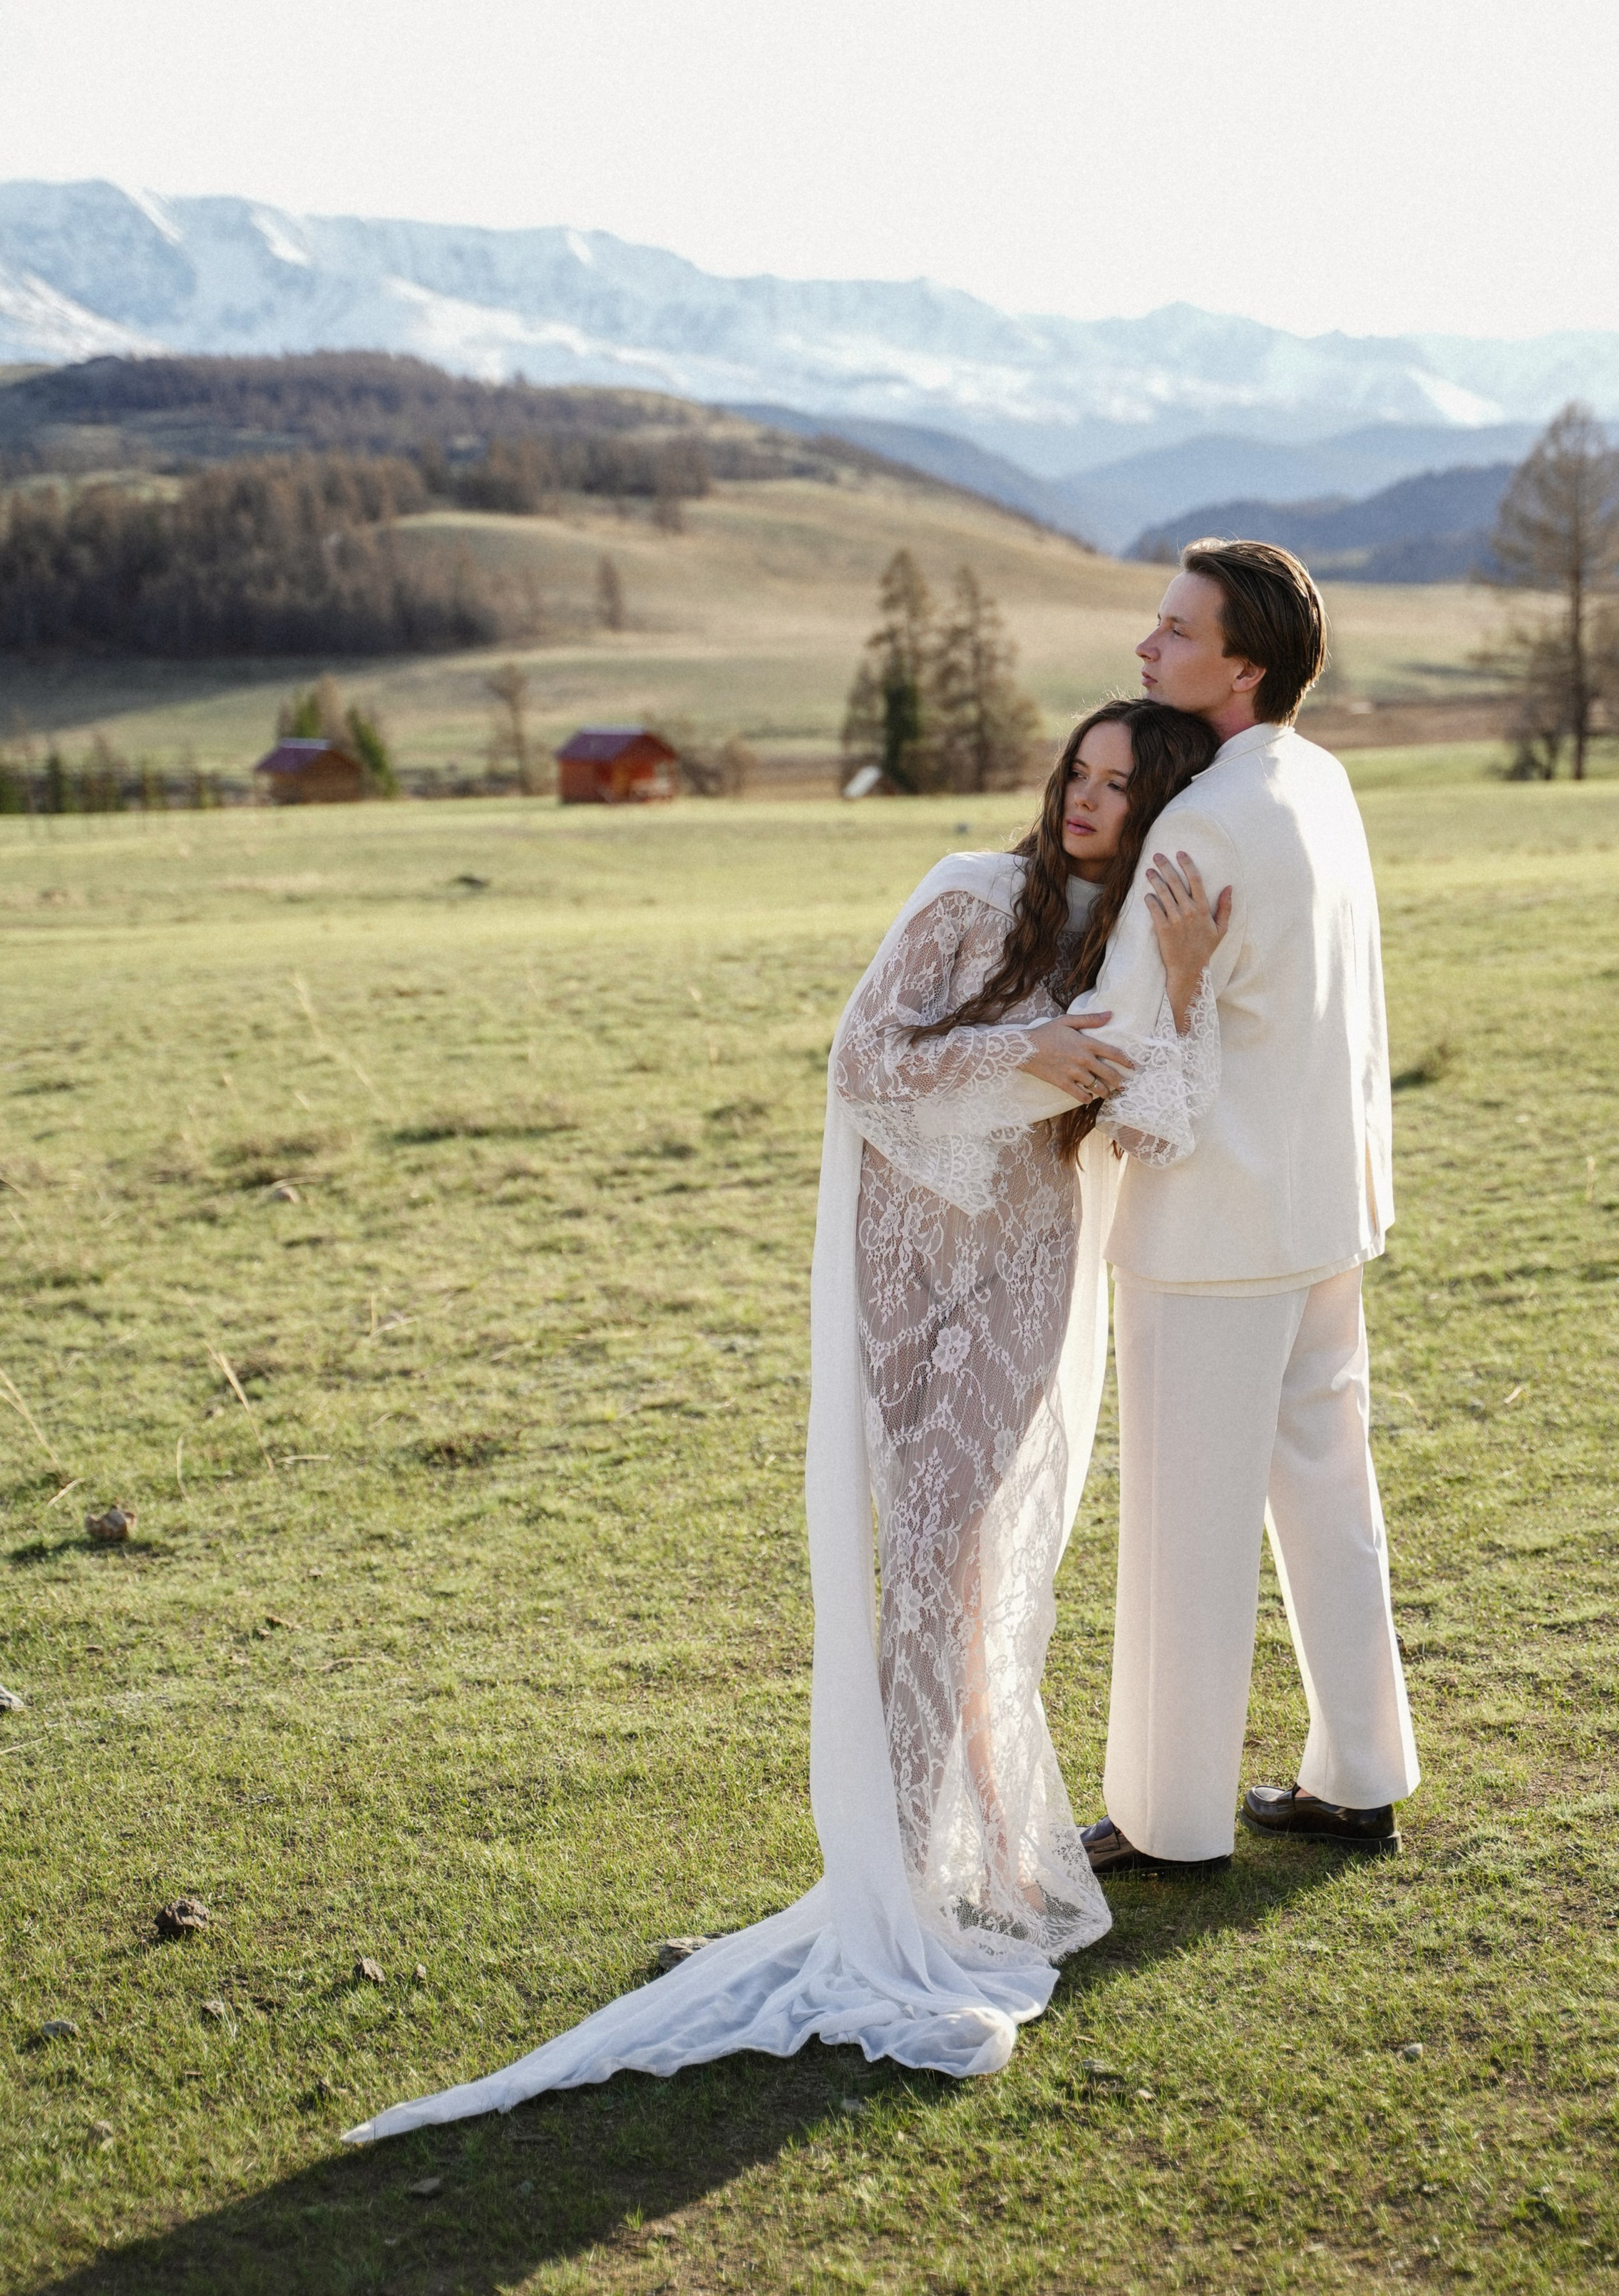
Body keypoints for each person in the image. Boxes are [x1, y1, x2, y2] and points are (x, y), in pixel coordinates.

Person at [344, 699, 1225, 2144]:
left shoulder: (1132, 942)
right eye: (1077, 771)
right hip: (901, 1254)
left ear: (1159, 809)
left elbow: (1152, 1130)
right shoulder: (967, 894)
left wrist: (1170, 990)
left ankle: (948, 1868)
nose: (1085, 801)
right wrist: (1030, 1054)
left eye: (1120, 788)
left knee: (961, 1544)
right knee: (926, 1557)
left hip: (1026, 1262)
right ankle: (946, 1857)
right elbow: (860, 1063)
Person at [1040, 540, 1421, 1875]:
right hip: (1324, 1205)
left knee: (1182, 1529)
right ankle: (1361, 1774)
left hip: (1212, 1225)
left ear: (1242, 664)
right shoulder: (1318, 781)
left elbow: (1130, 1052)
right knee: (1328, 1487)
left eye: (1174, 629)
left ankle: (1168, 1818)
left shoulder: (1197, 821)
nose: (1147, 648)